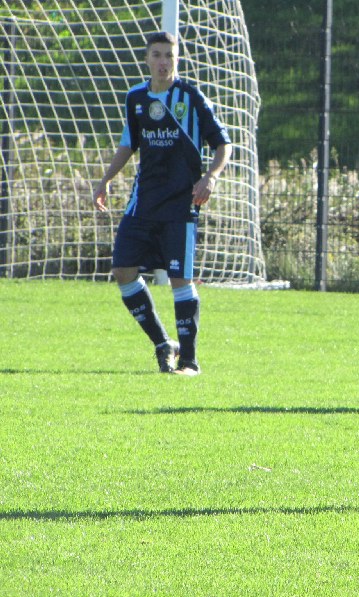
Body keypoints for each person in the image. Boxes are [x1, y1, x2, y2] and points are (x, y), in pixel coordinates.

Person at [93, 31, 231, 376]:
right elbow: (129, 143)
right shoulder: (136, 97)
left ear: (177, 59)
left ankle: (189, 361)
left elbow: (223, 145)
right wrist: (106, 179)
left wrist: (210, 177)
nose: (163, 62)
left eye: (169, 55)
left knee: (179, 280)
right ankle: (161, 342)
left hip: (180, 204)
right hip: (143, 203)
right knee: (123, 270)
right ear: (147, 59)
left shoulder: (191, 97)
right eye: (157, 55)